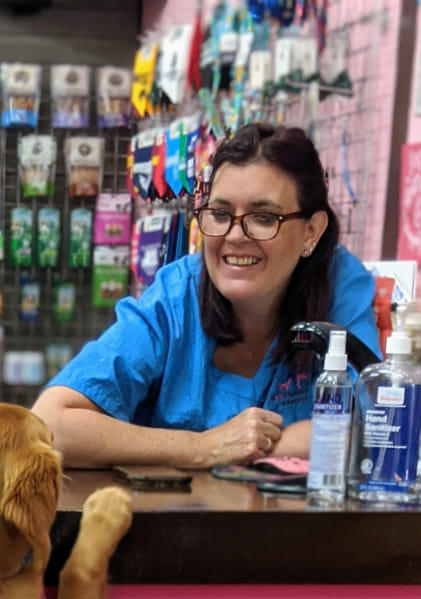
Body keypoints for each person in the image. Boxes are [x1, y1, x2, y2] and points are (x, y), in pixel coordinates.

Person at [33, 123, 381, 469]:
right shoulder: (176, 297)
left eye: (263, 217)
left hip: (303, 524)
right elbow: (49, 425)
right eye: (219, 214)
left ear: (311, 231)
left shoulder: (340, 286)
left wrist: (251, 447)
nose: (234, 235)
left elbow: (375, 423)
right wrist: (202, 447)